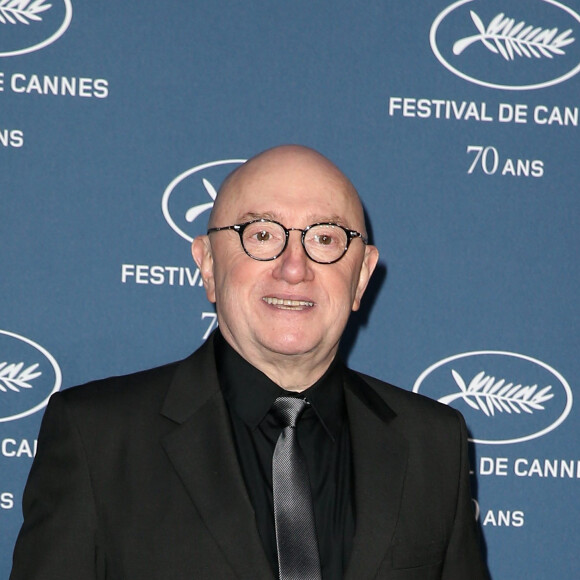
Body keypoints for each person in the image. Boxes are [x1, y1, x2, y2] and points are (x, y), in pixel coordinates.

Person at [10, 145, 488, 579]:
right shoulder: (98, 438)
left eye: (324, 239)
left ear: (361, 276)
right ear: (209, 265)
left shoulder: (432, 444)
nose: (294, 267)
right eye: (261, 234)